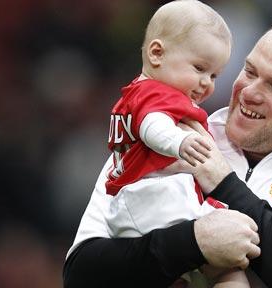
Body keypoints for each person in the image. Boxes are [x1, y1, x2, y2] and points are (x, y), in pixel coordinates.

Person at [63, 15, 272, 288]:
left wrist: (225, 184)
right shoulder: (167, 135)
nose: (249, 92)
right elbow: (81, 274)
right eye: (251, 71)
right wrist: (193, 242)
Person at [68, 0, 249, 286]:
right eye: (199, 68)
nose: (207, 83)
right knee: (226, 265)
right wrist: (180, 142)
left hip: (138, 205)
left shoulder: (140, 92)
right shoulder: (155, 94)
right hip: (153, 201)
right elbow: (153, 126)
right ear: (156, 53)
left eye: (214, 75)